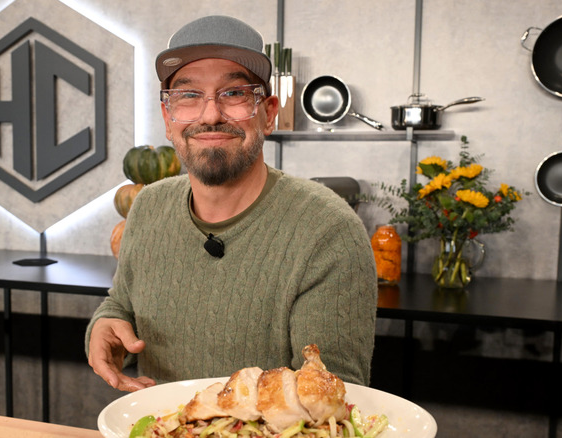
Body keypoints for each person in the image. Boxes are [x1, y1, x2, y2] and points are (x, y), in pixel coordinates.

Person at [86, 15, 377, 393]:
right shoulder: (148, 207)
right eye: (188, 96)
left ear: (269, 113)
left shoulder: (328, 231)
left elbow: (332, 399)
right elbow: (120, 303)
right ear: (168, 117)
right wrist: (104, 326)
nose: (210, 115)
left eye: (234, 94)